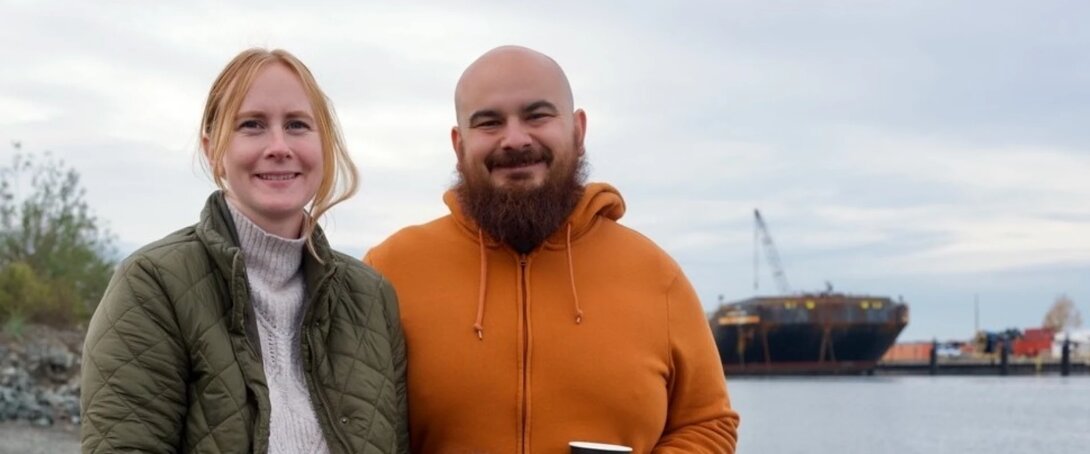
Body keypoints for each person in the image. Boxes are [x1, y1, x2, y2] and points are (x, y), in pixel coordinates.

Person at [365, 45, 739, 454]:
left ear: (578, 131)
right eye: (489, 122)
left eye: (537, 115)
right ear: (458, 145)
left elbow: (707, 425)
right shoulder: (388, 271)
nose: (515, 139)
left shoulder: (656, 274)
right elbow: (347, 424)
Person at [81, 48, 408, 454]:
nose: (278, 146)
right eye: (251, 125)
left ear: (323, 144)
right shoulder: (154, 284)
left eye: (297, 125)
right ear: (212, 149)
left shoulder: (371, 298)